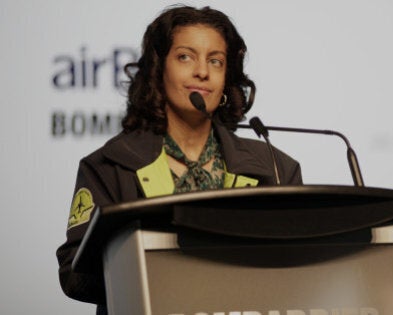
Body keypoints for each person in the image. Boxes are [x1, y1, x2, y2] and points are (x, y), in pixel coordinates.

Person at [55, 5, 302, 313]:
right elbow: (74, 273)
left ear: (226, 78)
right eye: (186, 56)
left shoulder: (276, 169)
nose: (203, 71)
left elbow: (296, 268)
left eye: (216, 61)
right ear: (159, 70)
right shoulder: (110, 165)